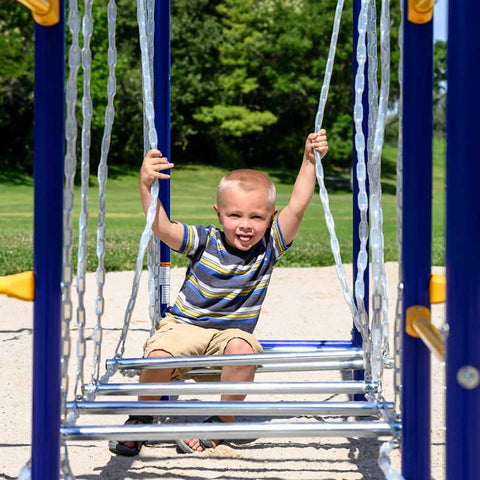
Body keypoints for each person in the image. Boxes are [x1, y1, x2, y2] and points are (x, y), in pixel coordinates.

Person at [109, 129, 328, 456]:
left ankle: (221, 422)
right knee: (157, 356)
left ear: (271, 218)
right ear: (218, 214)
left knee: (243, 348)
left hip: (229, 336)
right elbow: (163, 228)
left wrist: (309, 160)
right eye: (235, 215)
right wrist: (146, 187)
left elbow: (297, 205)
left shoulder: (269, 247)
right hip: (185, 327)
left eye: (257, 216)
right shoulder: (204, 240)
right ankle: (142, 416)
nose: (245, 225)